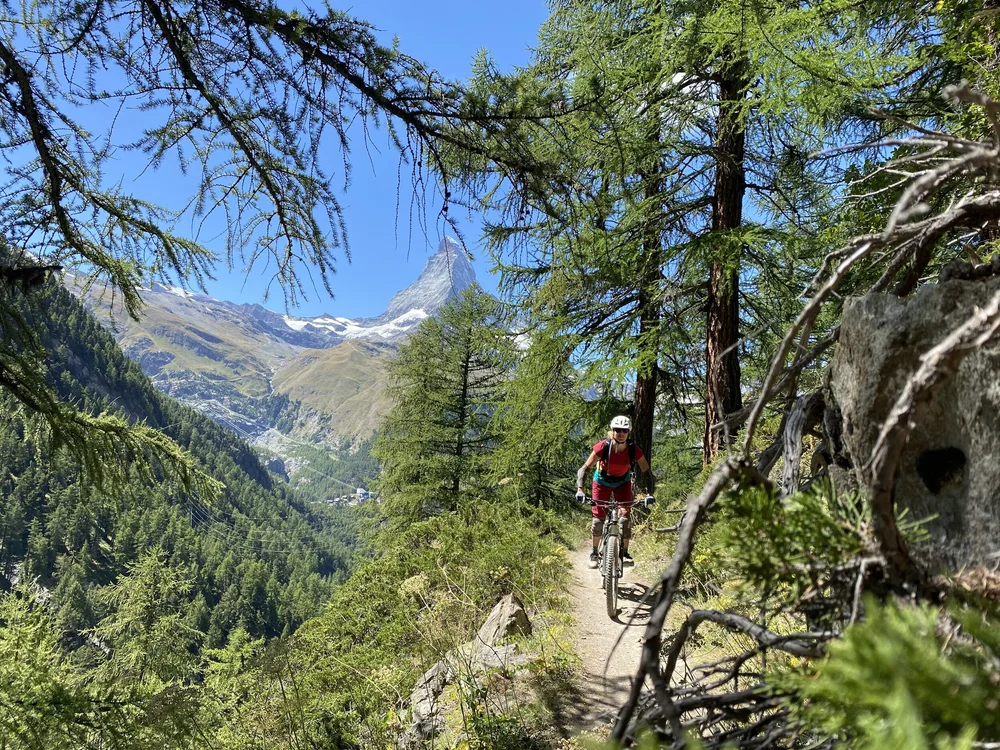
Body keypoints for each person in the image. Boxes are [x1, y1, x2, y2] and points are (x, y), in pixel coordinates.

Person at [575, 415, 655, 569]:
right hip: (601, 482)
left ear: (628, 432)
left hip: (622, 483)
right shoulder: (603, 447)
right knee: (598, 519)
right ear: (612, 431)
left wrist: (650, 494)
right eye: (618, 430)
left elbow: (648, 473)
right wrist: (580, 490)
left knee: (624, 518)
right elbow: (584, 469)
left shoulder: (633, 449)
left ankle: (624, 553)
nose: (621, 433)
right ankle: (594, 553)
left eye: (624, 430)